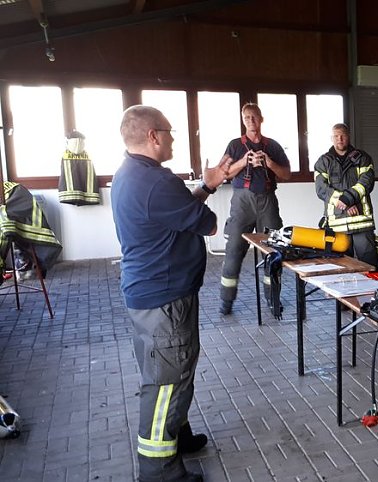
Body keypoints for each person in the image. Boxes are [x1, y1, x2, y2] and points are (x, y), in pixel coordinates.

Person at [112, 105, 229, 482]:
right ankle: (159, 470)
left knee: (168, 371)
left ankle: (175, 434)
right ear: (153, 136)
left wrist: (208, 186)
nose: (174, 138)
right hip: (164, 300)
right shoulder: (158, 181)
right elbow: (207, 225)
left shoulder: (129, 173)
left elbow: (175, 214)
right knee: (166, 382)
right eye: (170, 132)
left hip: (148, 294)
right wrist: (206, 193)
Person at [219, 103, 292, 315]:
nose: (251, 121)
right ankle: (226, 301)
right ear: (243, 120)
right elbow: (223, 173)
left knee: (273, 252)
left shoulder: (273, 146)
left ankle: (272, 298)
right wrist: (243, 162)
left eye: (254, 117)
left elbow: (287, 174)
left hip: (267, 202)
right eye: (247, 117)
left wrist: (270, 163)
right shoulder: (234, 146)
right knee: (233, 250)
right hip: (242, 203)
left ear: (261, 119)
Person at [314, 123, 378, 269]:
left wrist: (347, 199)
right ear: (332, 138)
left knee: (369, 266)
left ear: (348, 136)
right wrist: (344, 203)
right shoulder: (324, 161)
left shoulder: (363, 158)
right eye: (336, 136)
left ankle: (373, 292)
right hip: (338, 225)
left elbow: (366, 183)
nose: (340, 139)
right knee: (341, 267)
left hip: (361, 222)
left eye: (343, 135)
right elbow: (321, 188)